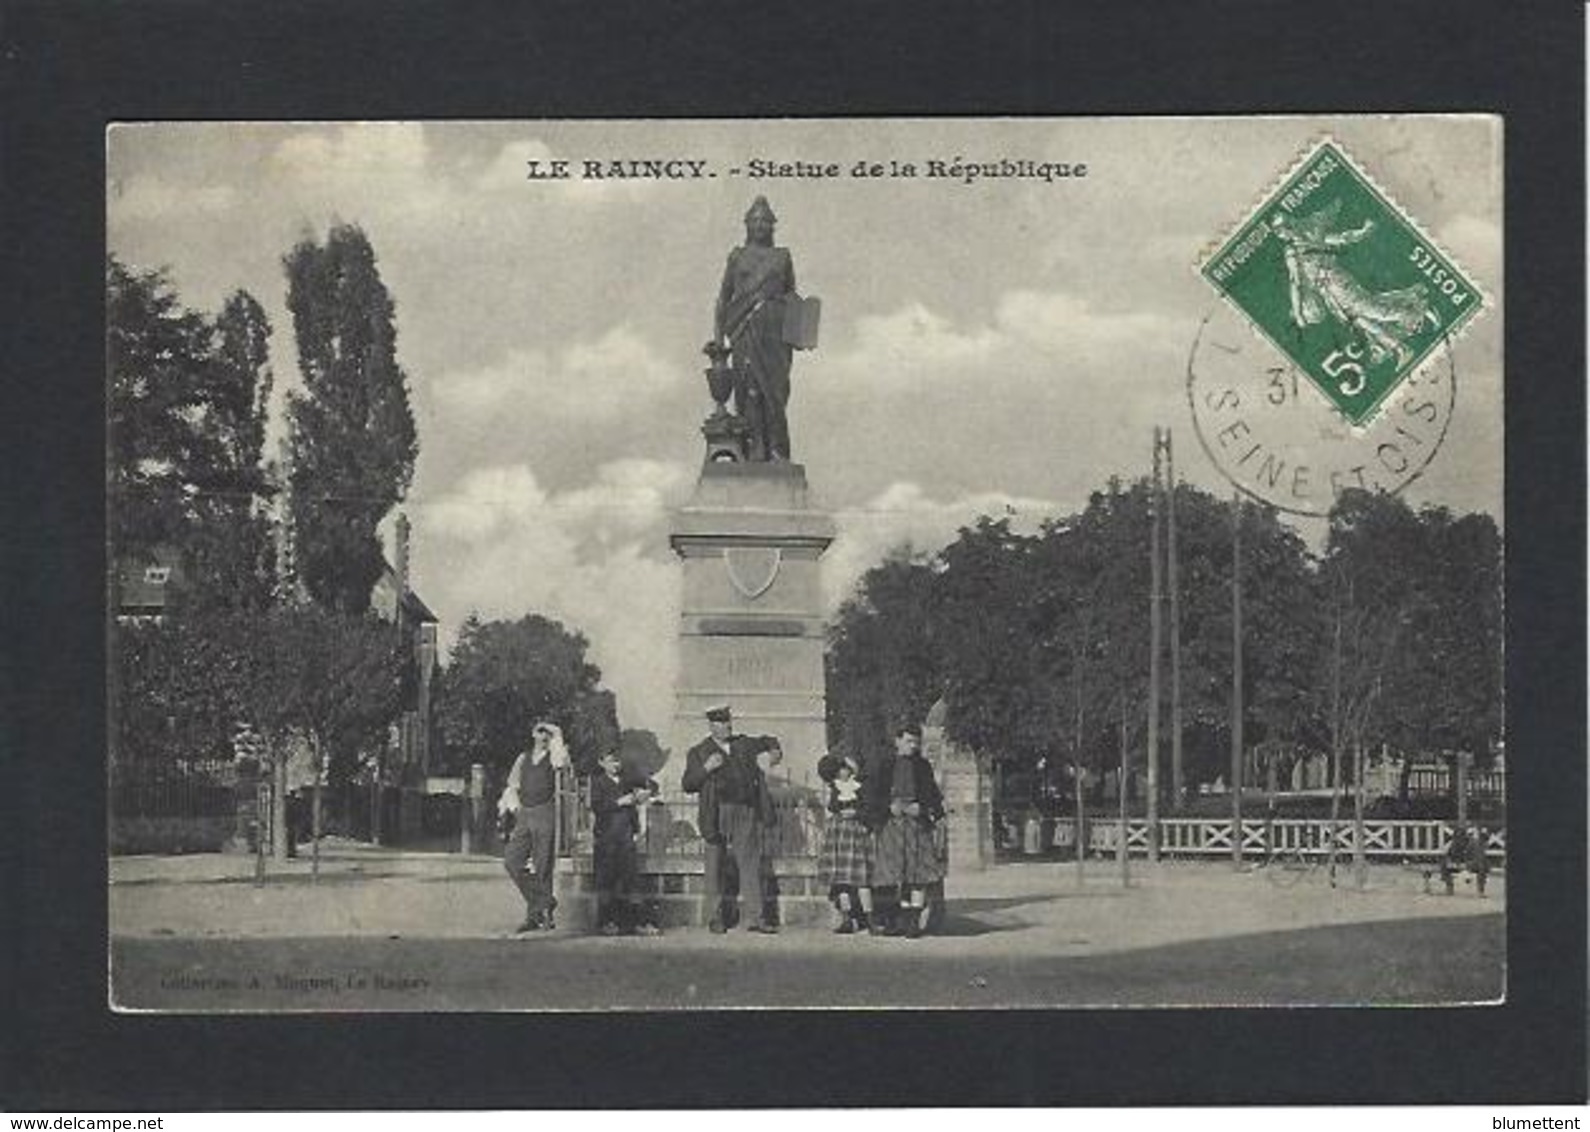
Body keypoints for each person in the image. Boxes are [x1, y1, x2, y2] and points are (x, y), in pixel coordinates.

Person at [680, 704, 783, 934]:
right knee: (714, 863)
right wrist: (706, 768)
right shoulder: (698, 751)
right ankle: (715, 918)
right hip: (715, 811)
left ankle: (756, 918)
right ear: (711, 725)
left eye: (728, 721)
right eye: (720, 722)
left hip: (745, 810)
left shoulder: (743, 744)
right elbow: (687, 784)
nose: (726, 726)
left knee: (750, 863)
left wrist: (774, 753)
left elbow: (769, 740)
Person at [714, 196, 798, 461]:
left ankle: (777, 450)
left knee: (774, 392)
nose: (760, 225)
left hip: (775, 335)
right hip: (744, 331)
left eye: (765, 221)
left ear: (772, 226)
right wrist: (718, 339)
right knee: (748, 389)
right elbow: (723, 298)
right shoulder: (737, 257)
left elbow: (793, 296)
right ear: (747, 225)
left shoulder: (782, 257)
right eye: (755, 221)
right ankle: (754, 450)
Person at [865, 722, 946, 938]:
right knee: (893, 875)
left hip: (916, 825)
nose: (913, 746)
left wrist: (924, 808)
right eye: (909, 741)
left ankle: (913, 922)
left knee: (917, 874)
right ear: (897, 741)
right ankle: (894, 920)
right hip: (892, 825)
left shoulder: (923, 766)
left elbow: (932, 794)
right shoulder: (885, 765)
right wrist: (887, 808)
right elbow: (873, 794)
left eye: (916, 742)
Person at [500, 720, 569, 932]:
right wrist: (515, 808)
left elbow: (561, 762)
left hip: (545, 811)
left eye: (548, 733)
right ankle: (545, 901)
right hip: (525, 813)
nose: (544, 736)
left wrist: (558, 731)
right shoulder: (523, 758)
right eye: (540, 732)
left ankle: (539, 917)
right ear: (532, 734)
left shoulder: (554, 756)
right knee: (512, 861)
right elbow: (512, 785)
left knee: (543, 864)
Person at [589, 749, 660, 935]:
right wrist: (619, 802)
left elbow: (637, 803)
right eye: (611, 761)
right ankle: (606, 922)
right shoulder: (597, 783)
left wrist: (636, 827)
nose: (616, 765)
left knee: (631, 881)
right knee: (606, 883)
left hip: (625, 837)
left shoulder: (626, 782)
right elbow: (597, 807)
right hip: (606, 839)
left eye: (618, 761)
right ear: (601, 763)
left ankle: (638, 923)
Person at [815, 754, 875, 934]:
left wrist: (857, 813)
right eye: (839, 771)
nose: (843, 773)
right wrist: (842, 808)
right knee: (841, 880)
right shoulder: (835, 787)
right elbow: (832, 806)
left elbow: (867, 807)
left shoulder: (860, 787)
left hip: (856, 832)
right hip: (839, 833)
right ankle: (847, 919)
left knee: (862, 878)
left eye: (846, 770)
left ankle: (869, 919)